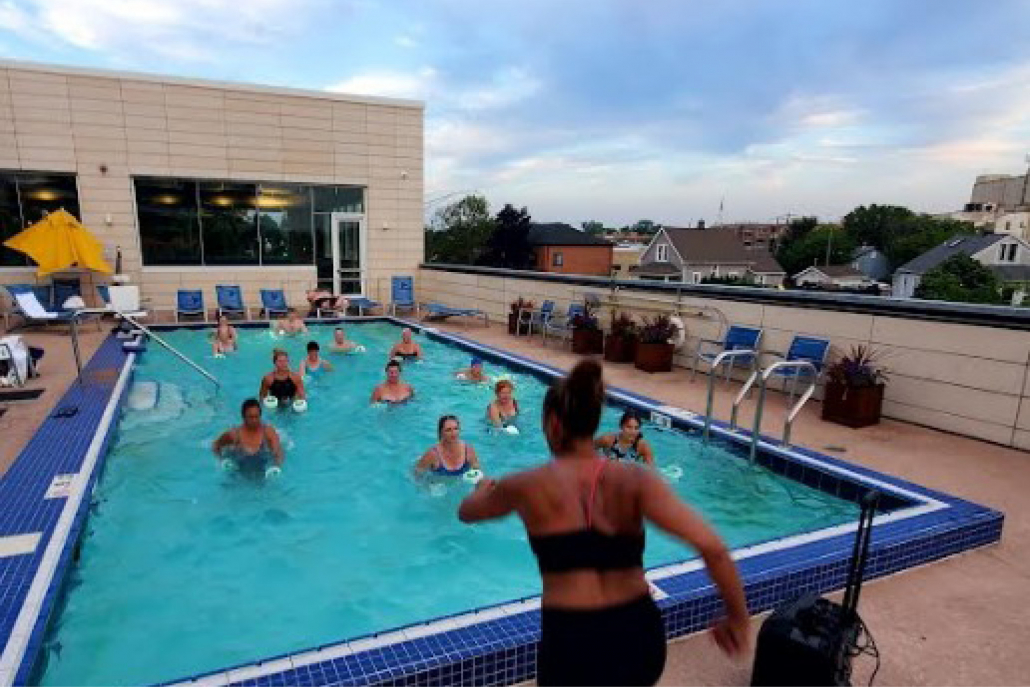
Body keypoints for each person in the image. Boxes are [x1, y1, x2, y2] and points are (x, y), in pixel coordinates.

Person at [457, 360, 749, 686]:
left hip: (572, 641)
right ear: (594, 423)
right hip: (636, 633)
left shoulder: (525, 486)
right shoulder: (636, 481)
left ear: (553, 424)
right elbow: (714, 549)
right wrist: (738, 620)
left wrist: (481, 490)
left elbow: (467, 513)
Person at [211, 399, 284, 476]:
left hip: (261, 472)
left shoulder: (268, 432)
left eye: (257, 416)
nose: (254, 420)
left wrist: (277, 466)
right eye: (251, 417)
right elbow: (215, 445)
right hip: (238, 472)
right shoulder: (234, 435)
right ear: (243, 417)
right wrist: (222, 460)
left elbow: (278, 451)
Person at [415, 415, 481, 476]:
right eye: (448, 430)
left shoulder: (468, 450)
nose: (453, 433)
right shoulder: (432, 454)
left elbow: (478, 471)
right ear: (441, 433)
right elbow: (417, 475)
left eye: (456, 428)